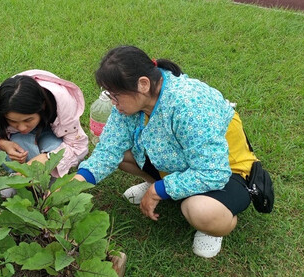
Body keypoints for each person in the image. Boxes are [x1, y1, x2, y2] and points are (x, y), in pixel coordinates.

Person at [75, 46, 260, 258]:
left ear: (143, 84)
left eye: (116, 96)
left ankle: (212, 225)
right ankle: (163, 185)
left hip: (226, 170)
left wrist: (159, 190)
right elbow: (108, 149)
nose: (114, 104)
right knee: (121, 154)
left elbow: (213, 171)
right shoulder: (132, 102)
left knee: (201, 210)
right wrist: (74, 184)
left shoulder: (188, 103)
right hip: (179, 159)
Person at [0, 69, 88, 196]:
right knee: (20, 144)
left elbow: (78, 145)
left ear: (42, 106)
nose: (21, 127)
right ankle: (20, 179)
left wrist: (46, 158)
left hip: (52, 130)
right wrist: (2, 144)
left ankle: (42, 179)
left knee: (55, 147)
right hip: (17, 138)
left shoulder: (63, 102)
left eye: (28, 120)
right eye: (12, 121)